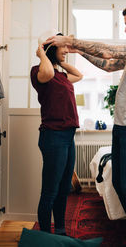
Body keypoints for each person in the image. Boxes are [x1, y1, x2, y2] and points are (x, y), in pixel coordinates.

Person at [44, 3, 126, 247]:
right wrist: (79, 52)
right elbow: (108, 64)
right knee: (121, 185)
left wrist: (73, 41)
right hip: (124, 125)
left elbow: (110, 52)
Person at [30, 32, 83, 236]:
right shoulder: (39, 71)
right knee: (50, 191)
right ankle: (44, 236)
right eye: (63, 48)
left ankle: (60, 232)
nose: (66, 52)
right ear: (52, 48)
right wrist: (42, 53)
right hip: (53, 137)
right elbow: (48, 73)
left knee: (64, 189)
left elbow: (79, 75)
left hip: (68, 138)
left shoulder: (61, 75)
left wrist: (65, 53)